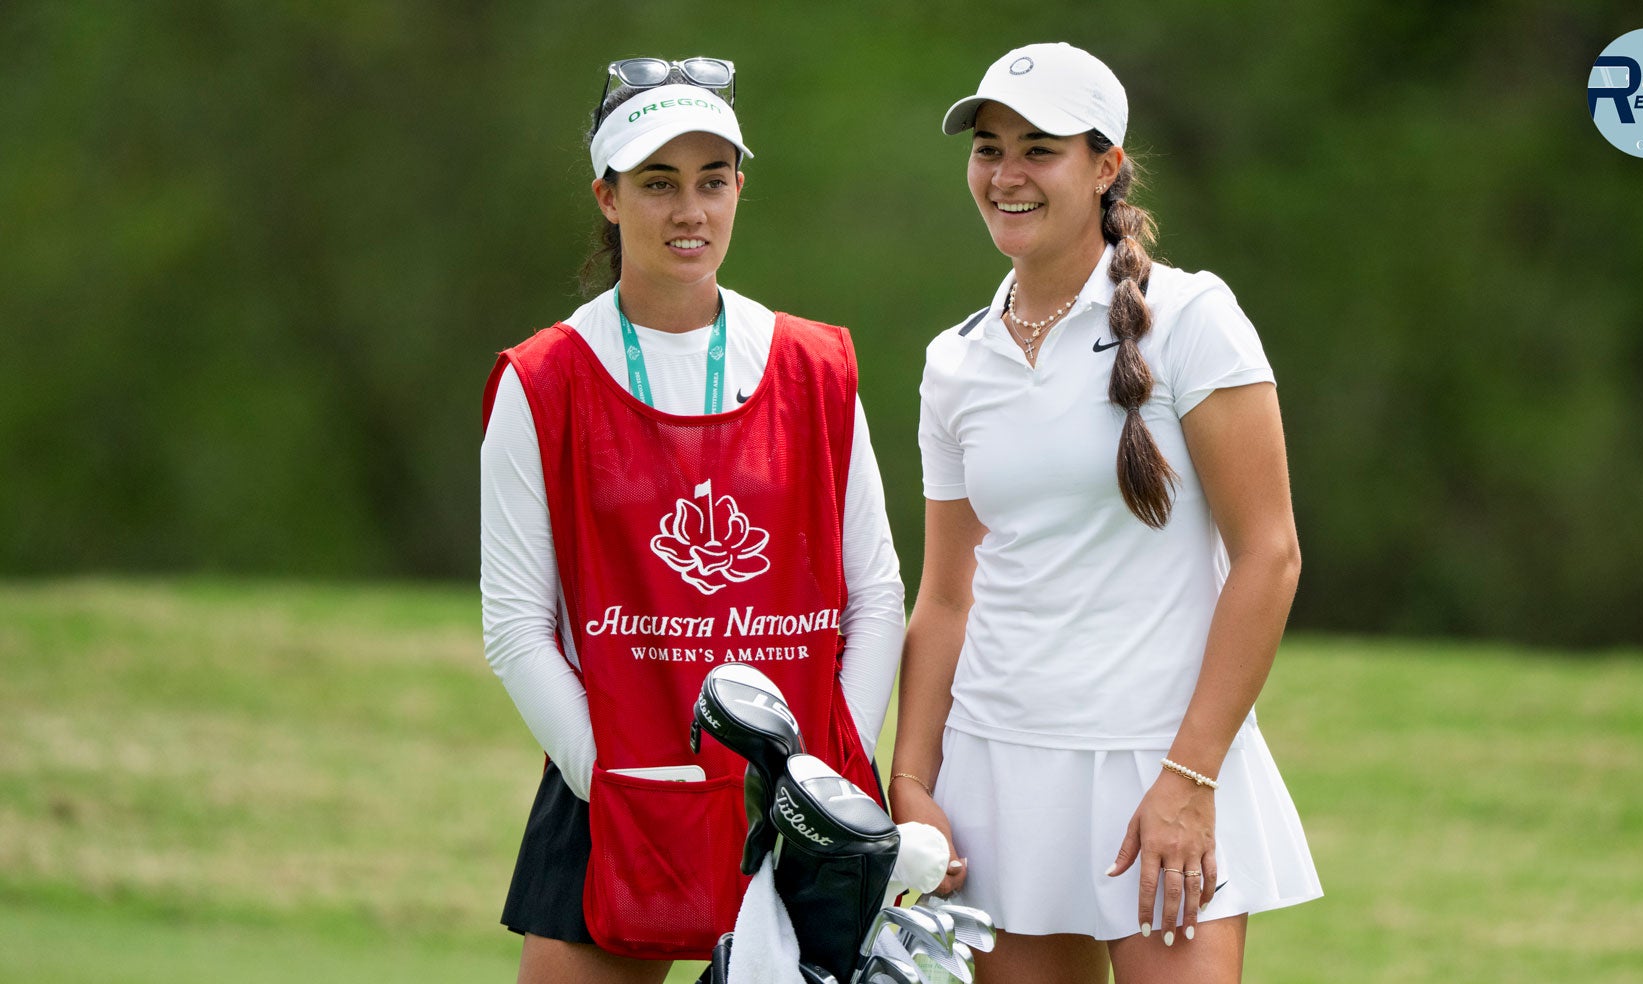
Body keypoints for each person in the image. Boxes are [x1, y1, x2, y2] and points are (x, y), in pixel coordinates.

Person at [890, 43, 1322, 983]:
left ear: (1105, 166)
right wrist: (912, 782)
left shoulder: (1194, 318)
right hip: (997, 769)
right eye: (989, 149)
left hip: (1163, 763)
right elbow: (948, 596)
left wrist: (1191, 776)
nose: (1006, 175)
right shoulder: (954, 361)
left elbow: (1270, 555)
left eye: (1039, 150)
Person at [480, 57, 905, 984]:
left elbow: (874, 592)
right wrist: (619, 782)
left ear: (740, 188)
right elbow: (515, 626)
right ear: (607, 196)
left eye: (713, 181)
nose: (690, 210)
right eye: (657, 183)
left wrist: (827, 782)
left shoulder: (814, 367)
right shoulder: (544, 380)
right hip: (613, 787)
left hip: (796, 800)